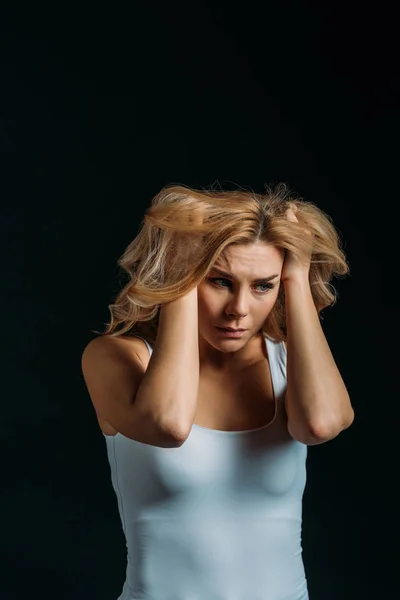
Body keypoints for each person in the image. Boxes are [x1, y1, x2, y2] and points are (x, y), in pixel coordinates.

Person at [81, 182, 354, 600]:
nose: (239, 309)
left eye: (264, 285)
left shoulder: (288, 365)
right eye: (219, 281)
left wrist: (297, 277)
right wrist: (179, 277)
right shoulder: (118, 358)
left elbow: (320, 424)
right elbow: (168, 425)